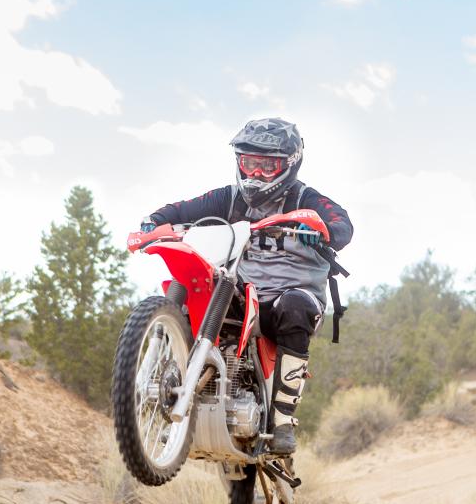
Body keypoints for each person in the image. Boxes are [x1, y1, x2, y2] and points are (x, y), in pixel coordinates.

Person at [139, 117, 353, 455]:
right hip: (242, 293)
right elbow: (179, 210)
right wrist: (153, 223)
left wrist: (320, 229)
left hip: (288, 300)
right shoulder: (230, 198)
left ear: (289, 165)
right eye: (249, 163)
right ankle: (169, 385)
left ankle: (283, 421)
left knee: (295, 305)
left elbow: (342, 226)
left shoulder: (305, 198)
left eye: (268, 166)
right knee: (196, 290)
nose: (256, 174)